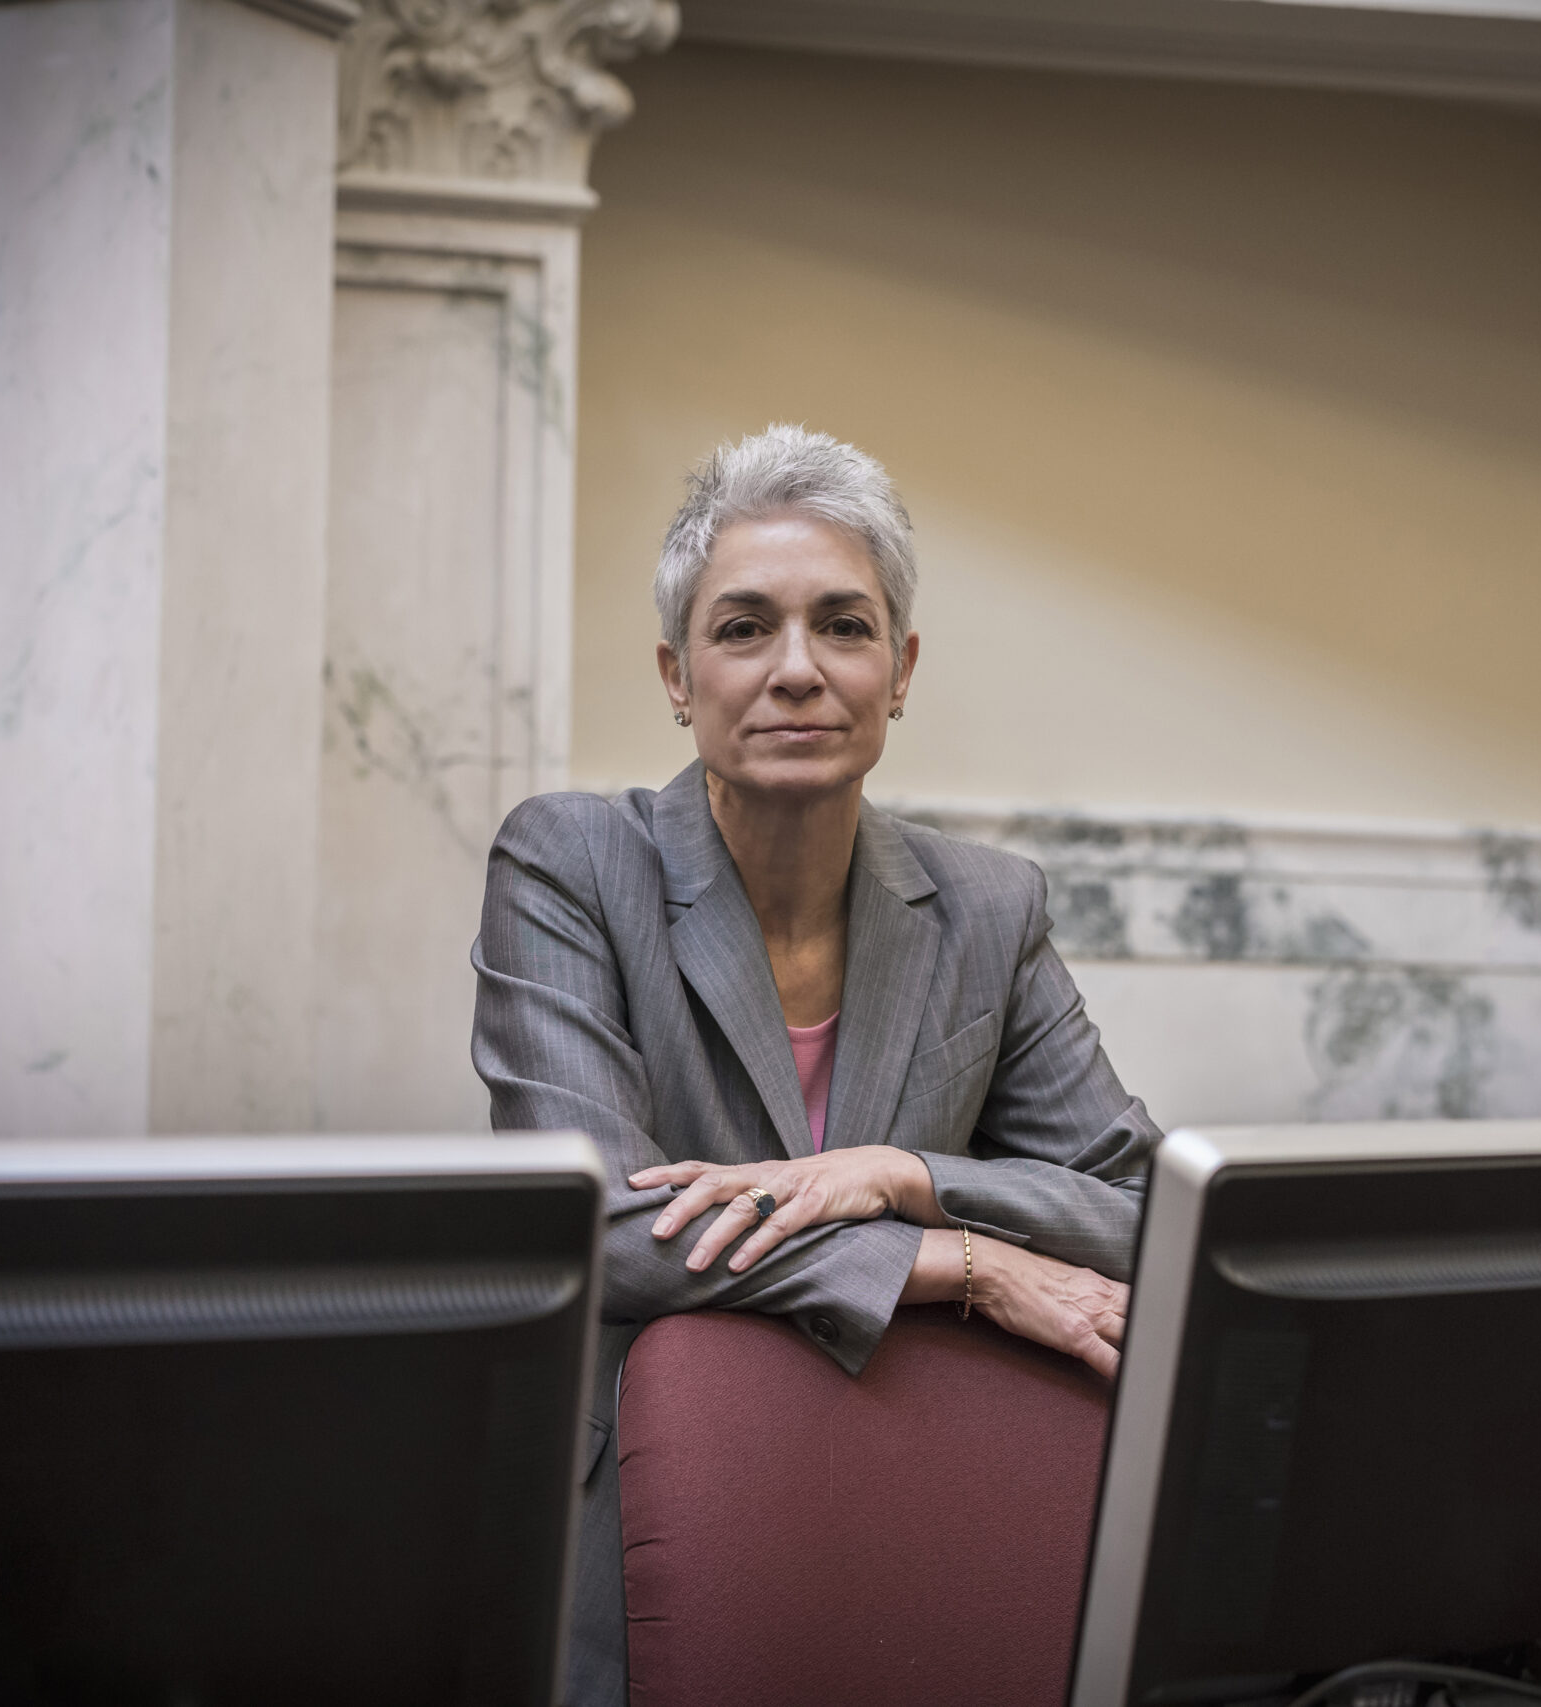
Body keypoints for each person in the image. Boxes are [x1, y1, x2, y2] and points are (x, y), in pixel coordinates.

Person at [470, 423, 1161, 1704]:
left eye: (842, 627)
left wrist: (908, 1177)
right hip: (633, 1522)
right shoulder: (569, 864)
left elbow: (1141, 1214)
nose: (797, 670)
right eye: (744, 630)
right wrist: (968, 1266)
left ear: (898, 671)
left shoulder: (989, 908)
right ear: (677, 676)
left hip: (918, 1488)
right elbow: (610, 1227)